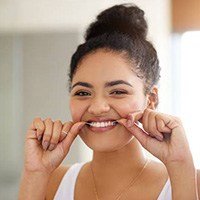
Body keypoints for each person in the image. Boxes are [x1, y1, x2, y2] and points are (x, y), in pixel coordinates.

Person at [18, 3, 200, 200]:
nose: (97, 108)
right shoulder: (51, 182)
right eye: (83, 93)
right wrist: (35, 174)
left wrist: (180, 164)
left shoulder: (190, 181)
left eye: (118, 91)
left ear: (151, 99)